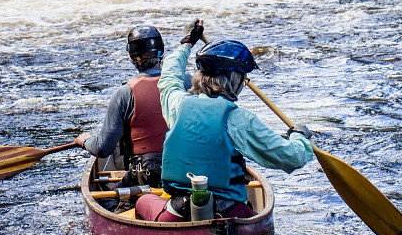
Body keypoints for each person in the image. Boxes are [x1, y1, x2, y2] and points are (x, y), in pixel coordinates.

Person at [136, 24, 315, 221]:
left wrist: (186, 43)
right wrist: (299, 137)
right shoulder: (239, 120)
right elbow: (292, 157)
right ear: (234, 79)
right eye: (243, 78)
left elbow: (169, 78)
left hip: (179, 212)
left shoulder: (179, 106)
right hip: (228, 214)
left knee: (142, 202)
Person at [76, 23, 182, 186]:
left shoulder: (124, 94)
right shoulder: (186, 82)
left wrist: (84, 141)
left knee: (115, 202)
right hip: (186, 169)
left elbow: (103, 148)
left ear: (132, 57)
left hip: (146, 176)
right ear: (161, 52)